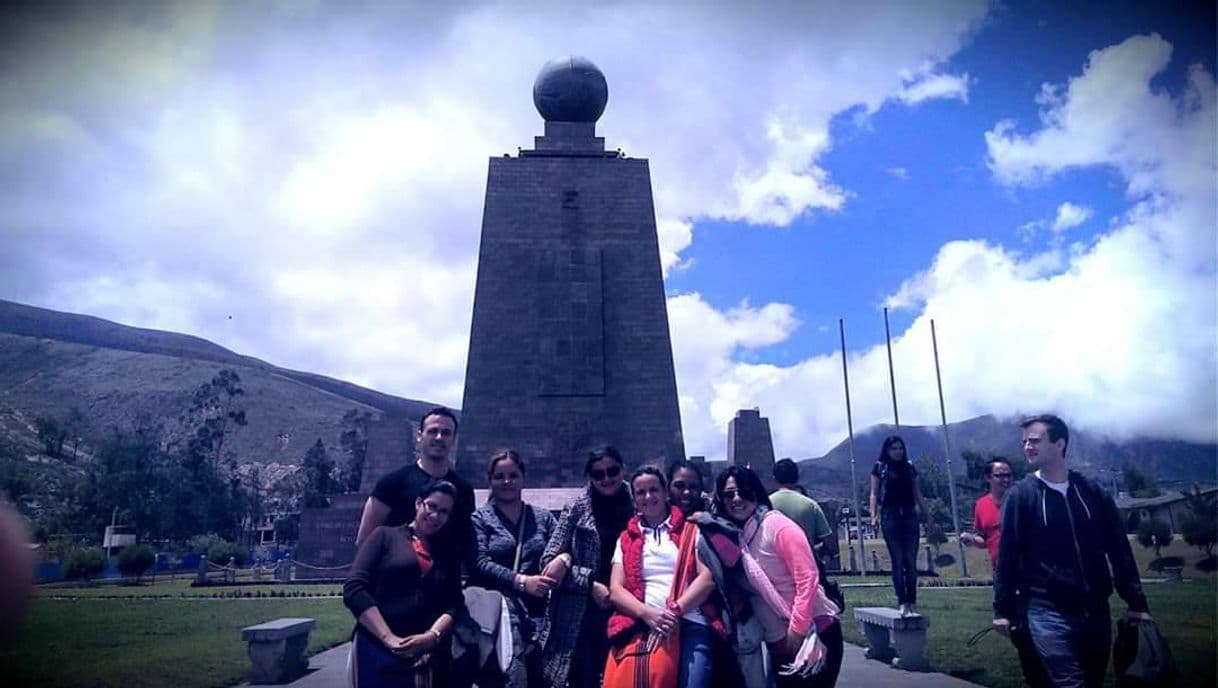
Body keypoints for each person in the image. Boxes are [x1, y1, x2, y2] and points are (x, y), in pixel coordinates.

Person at [993, 414, 1152, 688]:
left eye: (1035, 441)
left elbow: (1118, 549)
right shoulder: (1021, 496)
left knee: (1093, 682)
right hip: (1047, 612)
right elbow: (1007, 555)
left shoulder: (1092, 492)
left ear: (1059, 443)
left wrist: (1136, 602)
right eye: (1025, 442)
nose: (1027, 447)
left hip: (1096, 612)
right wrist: (1002, 608)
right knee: (1071, 683)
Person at [713, 466, 843, 688]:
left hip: (813, 633)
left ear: (756, 492)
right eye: (729, 494)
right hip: (778, 644)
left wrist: (797, 630)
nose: (737, 498)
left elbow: (808, 577)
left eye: (743, 491)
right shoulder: (738, 538)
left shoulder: (776, 525)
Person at [344, 480, 465, 687]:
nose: (435, 516)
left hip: (428, 655)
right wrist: (389, 638)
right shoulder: (384, 536)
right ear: (419, 503)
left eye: (444, 511)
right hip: (377, 647)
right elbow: (355, 589)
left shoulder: (449, 552)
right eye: (432, 506)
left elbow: (453, 603)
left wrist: (431, 636)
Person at [606, 466, 718, 688]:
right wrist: (648, 614)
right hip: (645, 627)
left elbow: (707, 579)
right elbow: (616, 590)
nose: (648, 497)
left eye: (654, 489)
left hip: (690, 624)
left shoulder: (691, 530)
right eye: (641, 492)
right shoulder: (625, 539)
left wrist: (673, 612)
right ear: (634, 499)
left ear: (665, 492)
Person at [536, 445, 634, 688]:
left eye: (612, 471)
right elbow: (548, 562)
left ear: (623, 469)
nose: (606, 479)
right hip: (585, 612)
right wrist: (590, 584)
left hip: (632, 604)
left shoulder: (640, 501)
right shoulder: (578, 507)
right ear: (589, 477)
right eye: (598, 474)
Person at [465, 449, 559, 688]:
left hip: (539, 616)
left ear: (523, 478)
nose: (507, 481)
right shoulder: (480, 519)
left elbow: (561, 546)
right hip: (498, 613)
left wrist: (564, 559)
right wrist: (523, 582)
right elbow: (480, 562)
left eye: (513, 475)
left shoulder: (543, 518)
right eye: (500, 476)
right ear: (490, 480)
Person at [962, 458, 1051, 688]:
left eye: (1009, 475)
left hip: (1031, 572)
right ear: (988, 478)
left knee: (1038, 621)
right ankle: (1033, 672)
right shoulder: (981, 505)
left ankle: (1042, 669)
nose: (1006, 479)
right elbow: (983, 538)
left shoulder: (1023, 500)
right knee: (1015, 627)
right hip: (1003, 575)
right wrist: (971, 540)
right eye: (1000, 475)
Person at [355, 407, 476, 565]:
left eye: (446, 433)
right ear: (420, 436)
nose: (439, 437)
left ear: (454, 439)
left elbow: (465, 542)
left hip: (445, 585)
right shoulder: (391, 484)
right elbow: (365, 542)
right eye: (433, 431)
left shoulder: (464, 490)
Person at [868, 436, 933, 616]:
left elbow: (917, 493)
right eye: (894, 448)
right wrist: (873, 515)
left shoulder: (909, 467)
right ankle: (903, 601)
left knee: (910, 562)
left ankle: (912, 602)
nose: (898, 452)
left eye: (900, 448)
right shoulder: (880, 467)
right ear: (887, 450)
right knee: (897, 560)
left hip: (909, 514)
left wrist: (927, 515)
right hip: (890, 515)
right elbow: (873, 493)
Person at [770, 459, 833, 560]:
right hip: (805, 561)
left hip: (775, 564)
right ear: (797, 477)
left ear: (774, 479)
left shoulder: (766, 505)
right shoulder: (811, 505)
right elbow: (827, 539)